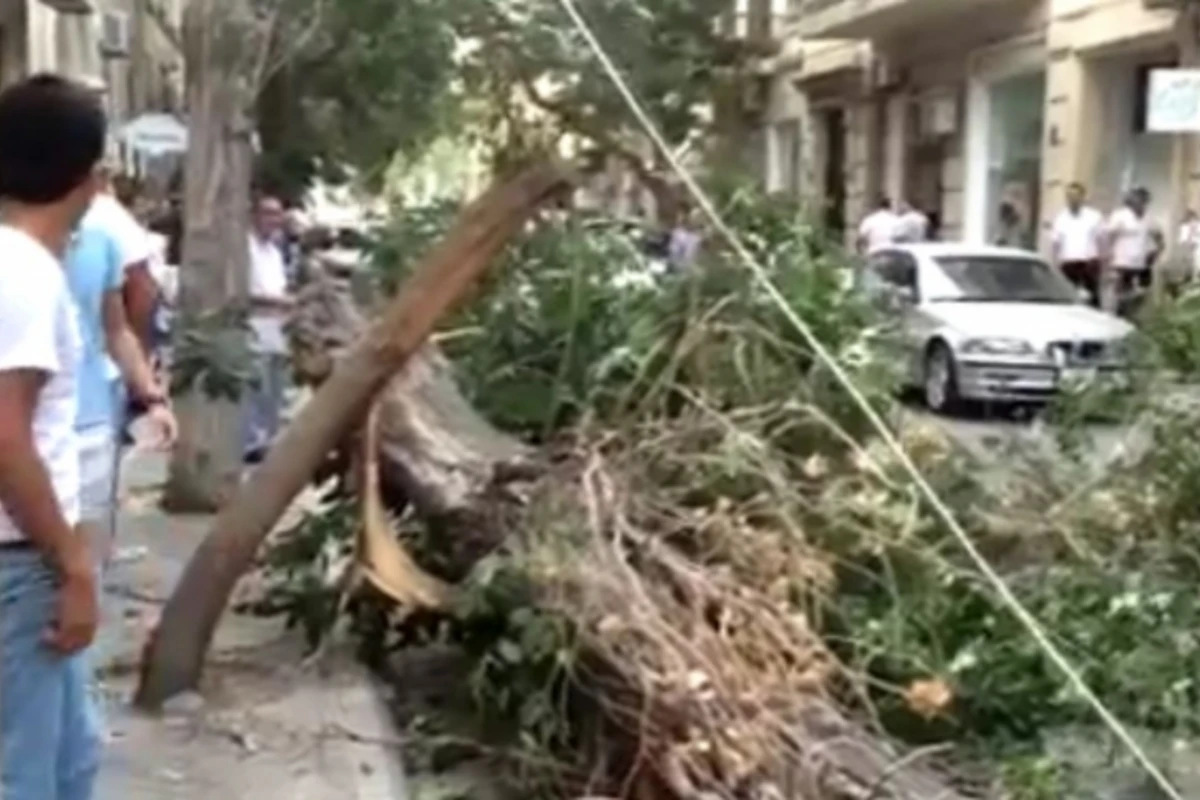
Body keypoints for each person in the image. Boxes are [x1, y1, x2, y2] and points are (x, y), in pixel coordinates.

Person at [0, 73, 107, 800]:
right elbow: (5, 438)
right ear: (90, 178)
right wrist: (71, 565)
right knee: (25, 774)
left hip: (29, 558)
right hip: (23, 562)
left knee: (73, 759)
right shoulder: (26, 276)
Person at [66, 193, 177, 573]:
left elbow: (117, 330)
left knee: (83, 563)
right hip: (27, 427)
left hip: (88, 423)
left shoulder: (100, 243)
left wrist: (151, 396)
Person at [245, 194, 294, 463]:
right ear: (255, 216)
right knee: (256, 385)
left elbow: (279, 287)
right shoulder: (245, 248)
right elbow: (244, 292)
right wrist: (280, 301)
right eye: (267, 214)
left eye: (277, 215)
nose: (273, 221)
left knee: (276, 386)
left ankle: (269, 439)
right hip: (255, 320)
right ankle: (253, 441)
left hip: (278, 323)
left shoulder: (275, 252)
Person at [1051, 182, 1105, 306]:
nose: (1073, 199)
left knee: (1092, 297)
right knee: (1068, 297)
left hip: (1089, 262)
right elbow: (1056, 244)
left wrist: (1103, 262)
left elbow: (1102, 240)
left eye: (1076, 196)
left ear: (1083, 197)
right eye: (1069, 196)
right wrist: (1054, 265)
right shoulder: (1061, 218)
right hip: (1069, 262)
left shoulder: (1094, 216)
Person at [1106, 187, 1158, 304]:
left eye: (1144, 200)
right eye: (1138, 199)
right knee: (1121, 295)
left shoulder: (1149, 218)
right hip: (1122, 263)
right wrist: (1108, 257)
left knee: (1141, 295)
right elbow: (1110, 237)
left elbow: (1159, 237)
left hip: (1141, 264)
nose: (1141, 203)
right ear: (1132, 200)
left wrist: (1155, 254)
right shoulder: (1120, 216)